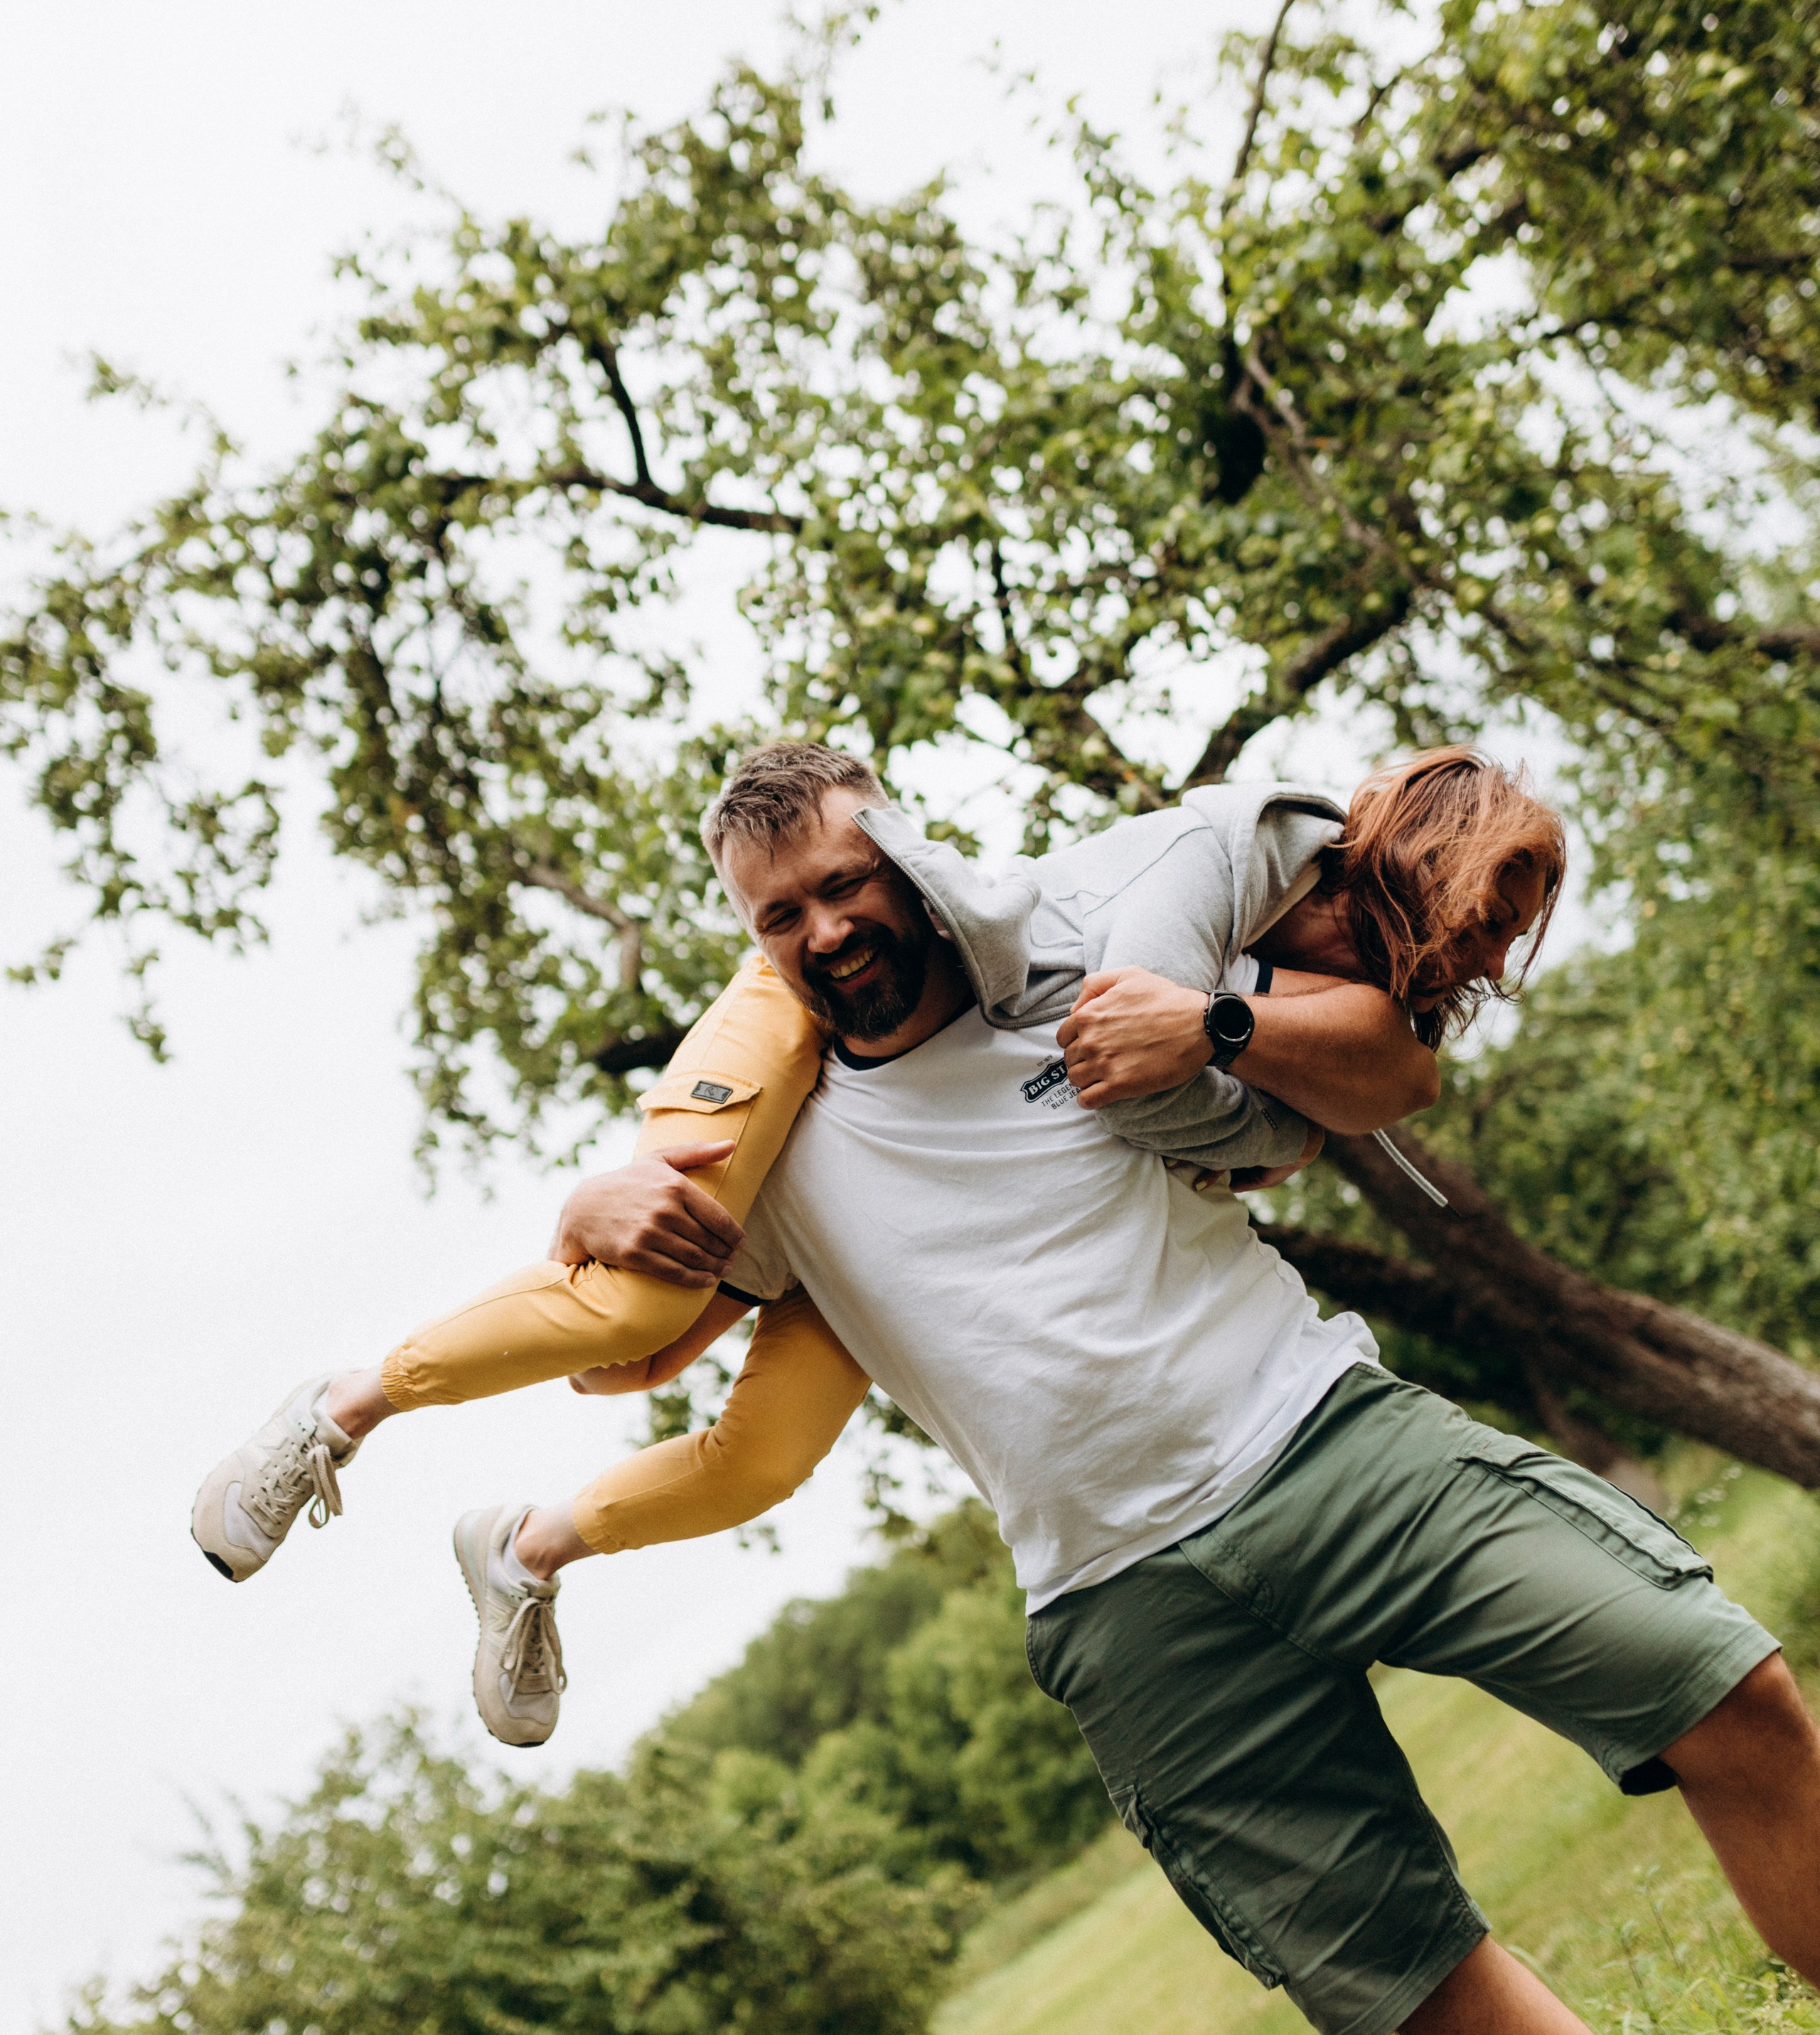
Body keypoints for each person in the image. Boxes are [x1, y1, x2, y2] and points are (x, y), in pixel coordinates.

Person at [461, 739, 1820, 2035]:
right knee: (1413, 1966)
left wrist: (1215, 1023)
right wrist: (589, 1212)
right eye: (777, 918)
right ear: (751, 945)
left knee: (1725, 1690)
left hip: (1325, 1447)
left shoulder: (1076, 946)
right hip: (1123, 1610)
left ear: (898, 848)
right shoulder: (777, 1144)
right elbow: (625, 1347)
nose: (822, 931)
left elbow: (1390, 1064)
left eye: (841, 883)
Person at [192, 742, 1552, 1736]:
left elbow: (1334, 1090)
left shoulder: (1322, 983)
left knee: (761, 1463)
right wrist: (601, 1206)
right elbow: (1150, 1075)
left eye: (1497, 941)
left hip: (911, 1200)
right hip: (804, 1059)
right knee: (628, 1306)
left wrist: (1265, 1124)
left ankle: (525, 1551)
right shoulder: (1215, 870)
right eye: (780, 904)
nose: (1478, 954)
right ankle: (337, 1410)